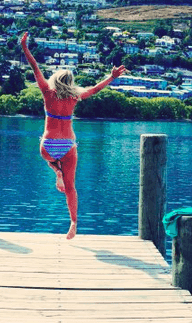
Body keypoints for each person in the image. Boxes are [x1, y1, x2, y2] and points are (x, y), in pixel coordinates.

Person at [20, 31, 127, 240]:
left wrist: (25, 48)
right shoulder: (75, 96)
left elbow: (35, 68)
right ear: (70, 82)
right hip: (68, 145)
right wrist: (112, 77)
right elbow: (95, 89)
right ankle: (73, 223)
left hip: (49, 146)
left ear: (55, 80)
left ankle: (55, 170)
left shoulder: (47, 93)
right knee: (71, 188)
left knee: (47, 156)